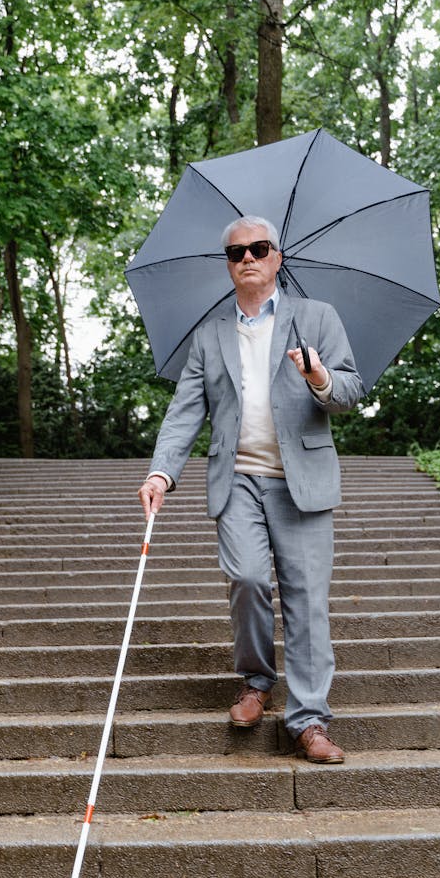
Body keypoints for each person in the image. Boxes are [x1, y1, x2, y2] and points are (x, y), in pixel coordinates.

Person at [138, 214, 363, 763]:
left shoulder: (317, 317)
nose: (248, 259)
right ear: (229, 265)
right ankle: (257, 681)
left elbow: (351, 390)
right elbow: (185, 412)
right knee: (245, 577)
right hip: (237, 479)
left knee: (307, 600)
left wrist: (319, 377)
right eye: (236, 253)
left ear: (277, 257)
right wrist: (161, 471)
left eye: (258, 248)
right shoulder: (210, 334)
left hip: (301, 482)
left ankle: (308, 720)